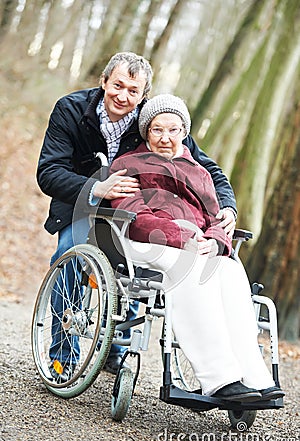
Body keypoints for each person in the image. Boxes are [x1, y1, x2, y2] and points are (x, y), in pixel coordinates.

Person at [37, 52, 237, 379]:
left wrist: (227, 205)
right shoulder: (70, 111)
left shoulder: (155, 120)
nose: (123, 96)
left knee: (138, 265)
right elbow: (48, 172)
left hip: (136, 213)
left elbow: (205, 166)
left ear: (143, 95)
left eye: (133, 90)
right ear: (103, 82)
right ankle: (63, 355)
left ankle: (117, 347)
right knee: (69, 256)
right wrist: (97, 186)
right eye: (117, 85)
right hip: (83, 205)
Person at [109, 94, 284, 402]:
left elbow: (214, 216)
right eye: (157, 130)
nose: (165, 138)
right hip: (145, 243)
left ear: (184, 131)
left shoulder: (199, 171)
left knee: (229, 269)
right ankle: (219, 379)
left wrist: (217, 241)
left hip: (197, 244)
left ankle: (254, 377)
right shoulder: (128, 165)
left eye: (173, 130)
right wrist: (183, 237)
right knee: (190, 267)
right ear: (146, 132)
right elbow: (135, 217)